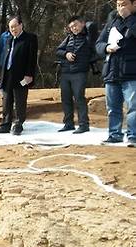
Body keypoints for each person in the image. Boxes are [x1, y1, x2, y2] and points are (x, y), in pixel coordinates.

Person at [96, 0, 136, 146]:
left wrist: (129, 19)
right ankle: (114, 134)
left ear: (134, 4)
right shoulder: (112, 22)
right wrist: (106, 48)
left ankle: (133, 136)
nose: (120, 7)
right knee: (112, 107)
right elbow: (98, 44)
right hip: (111, 71)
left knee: (133, 107)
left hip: (131, 72)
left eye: (124, 4)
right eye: (119, 4)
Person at [0, 16, 38, 135]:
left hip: (22, 75)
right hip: (7, 74)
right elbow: (4, 58)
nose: (13, 29)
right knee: (6, 100)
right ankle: (5, 124)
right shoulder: (8, 40)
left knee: (20, 100)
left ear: (21, 25)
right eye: (11, 27)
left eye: (15, 26)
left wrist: (29, 74)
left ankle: (18, 123)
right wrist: (1, 75)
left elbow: (32, 58)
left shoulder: (30, 38)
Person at [56, 16, 94, 134]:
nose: (74, 28)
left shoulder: (89, 37)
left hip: (80, 72)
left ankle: (83, 124)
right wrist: (66, 53)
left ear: (82, 24)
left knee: (79, 98)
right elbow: (58, 51)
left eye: (76, 25)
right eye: (71, 27)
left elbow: (92, 27)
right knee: (65, 98)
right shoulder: (69, 38)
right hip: (66, 72)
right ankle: (68, 123)